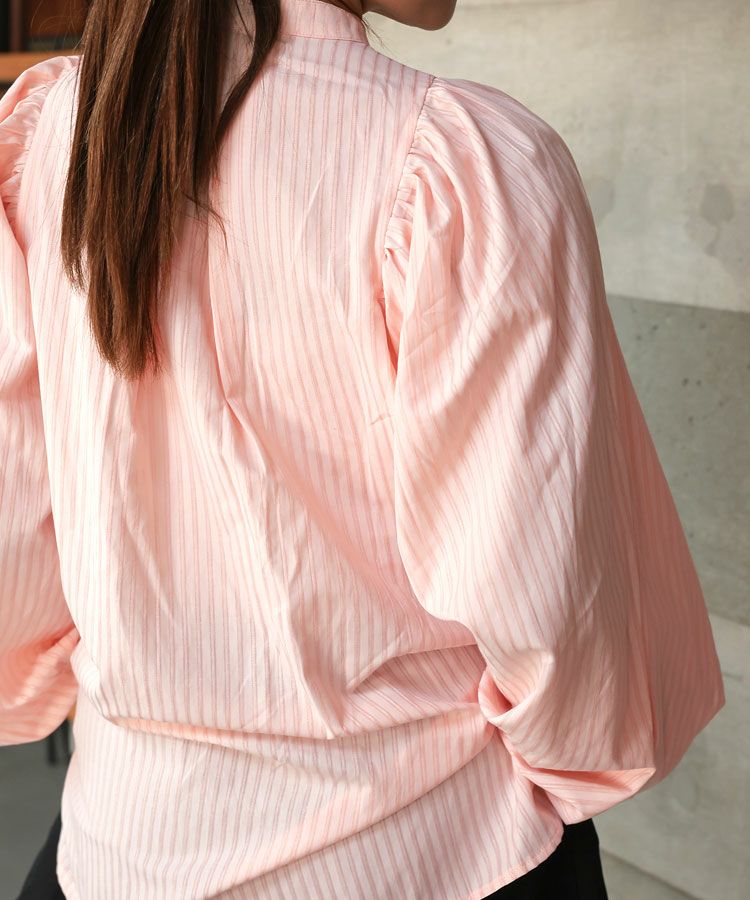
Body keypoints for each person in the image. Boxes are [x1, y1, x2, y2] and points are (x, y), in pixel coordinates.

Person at [0, 1, 725, 898]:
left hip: (120, 849)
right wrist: (575, 767)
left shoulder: (44, 140)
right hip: (433, 847)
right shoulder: (461, 164)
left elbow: (16, 552)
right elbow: (555, 613)